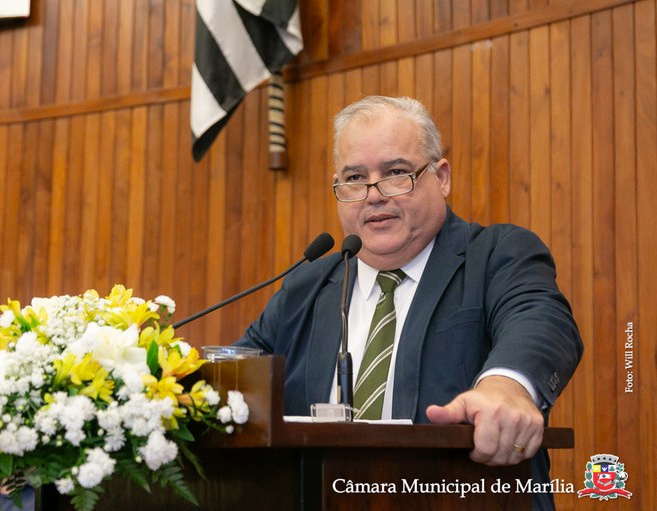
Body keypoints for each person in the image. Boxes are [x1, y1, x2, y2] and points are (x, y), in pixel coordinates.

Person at [235, 96, 583, 510]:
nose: (374, 195)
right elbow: (235, 373)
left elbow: (540, 320)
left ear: (442, 177)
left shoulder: (496, 255)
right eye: (355, 178)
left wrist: (507, 388)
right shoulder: (305, 286)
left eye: (396, 173)